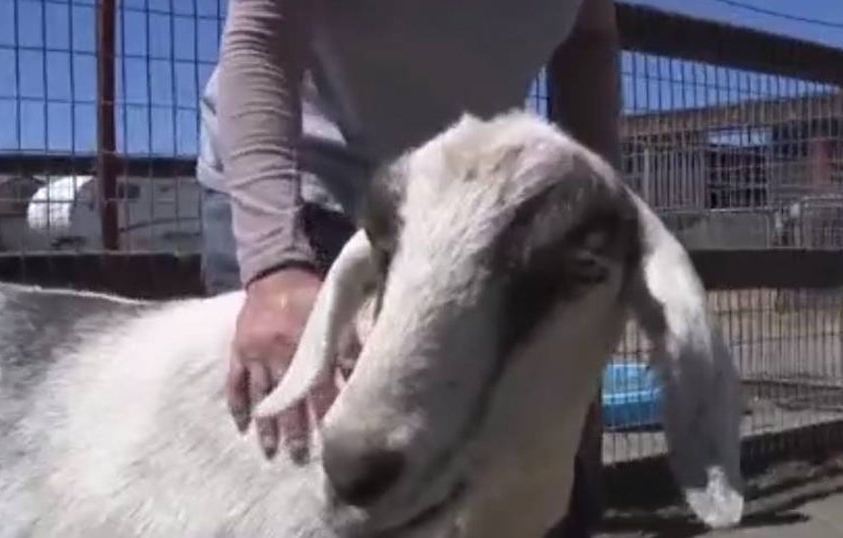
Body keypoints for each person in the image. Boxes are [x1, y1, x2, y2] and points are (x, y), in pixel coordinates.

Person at [194, 0, 622, 534]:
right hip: (306, 187)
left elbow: (591, 35)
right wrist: (274, 266)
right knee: (318, 494)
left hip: (470, 211)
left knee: (522, 482)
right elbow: (262, 37)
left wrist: (596, 207)